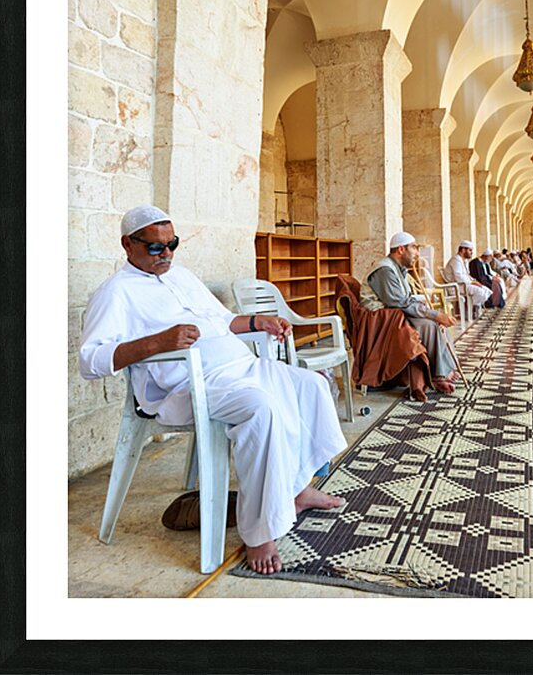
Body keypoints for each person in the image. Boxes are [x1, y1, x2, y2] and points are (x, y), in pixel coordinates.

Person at [79, 205, 347, 576]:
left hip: (241, 368)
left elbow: (222, 322)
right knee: (261, 409)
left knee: (313, 385)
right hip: (189, 387)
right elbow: (89, 361)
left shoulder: (182, 276)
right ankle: (259, 531)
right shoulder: (114, 293)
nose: (167, 254)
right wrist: (157, 342)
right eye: (156, 248)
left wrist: (258, 321)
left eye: (172, 244)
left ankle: (297, 488)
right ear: (128, 244)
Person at [359, 232, 460, 393]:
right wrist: (434, 314)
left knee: (437, 323)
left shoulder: (398, 269)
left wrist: (435, 315)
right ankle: (438, 375)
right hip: (382, 318)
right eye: (414, 248)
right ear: (400, 249)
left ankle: (446, 367)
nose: (417, 253)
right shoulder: (385, 269)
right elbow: (399, 302)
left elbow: (404, 299)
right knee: (429, 325)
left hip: (394, 313)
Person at [443, 240, 491, 309]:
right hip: (455, 286)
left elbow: (467, 275)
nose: (471, 253)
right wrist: (472, 282)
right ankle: (471, 309)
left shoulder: (464, 261)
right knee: (480, 291)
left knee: (485, 289)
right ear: (463, 250)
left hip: (463, 285)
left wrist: (474, 281)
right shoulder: (456, 260)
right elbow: (459, 277)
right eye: (470, 250)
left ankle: (473, 308)